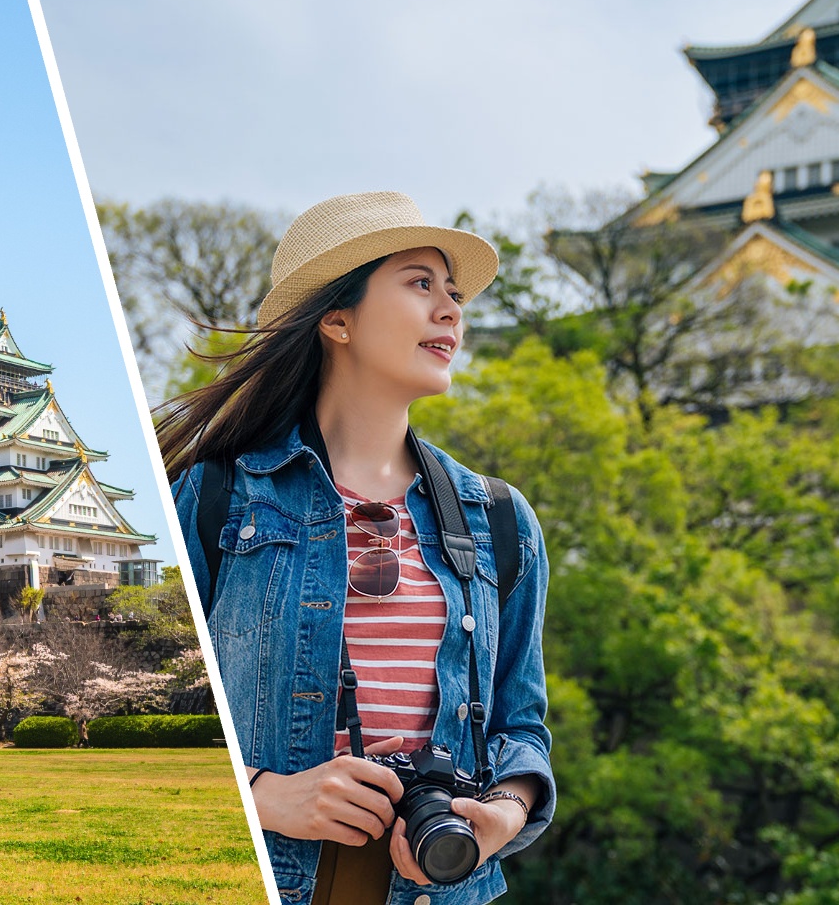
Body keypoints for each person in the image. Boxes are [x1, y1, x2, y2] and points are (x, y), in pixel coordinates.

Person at [164, 192, 554, 905]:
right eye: (420, 284)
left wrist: (503, 814)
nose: (450, 312)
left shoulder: (499, 519)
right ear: (336, 319)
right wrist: (263, 798)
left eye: (454, 292)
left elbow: (520, 724)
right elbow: (163, 707)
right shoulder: (219, 496)